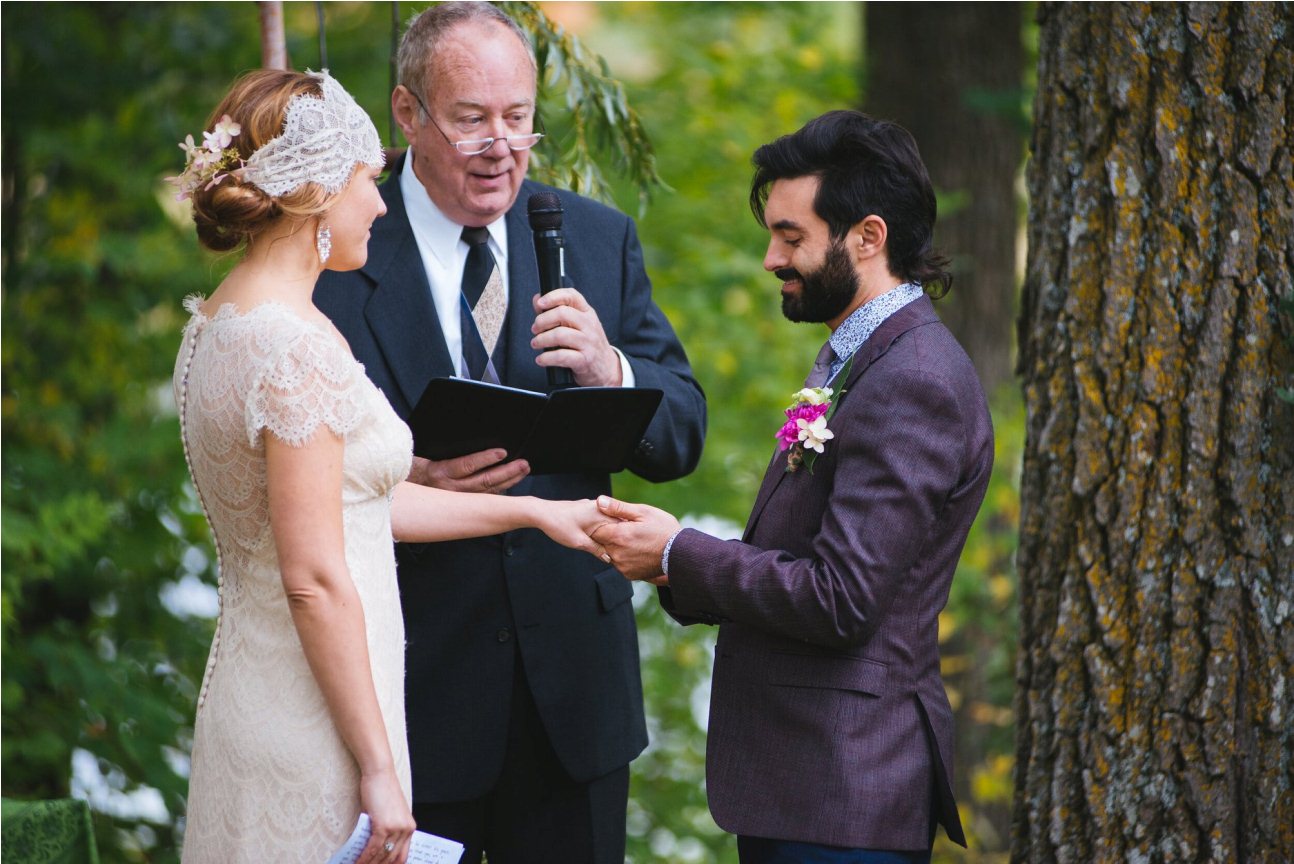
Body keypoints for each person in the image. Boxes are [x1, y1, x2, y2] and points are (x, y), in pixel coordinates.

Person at [171, 68, 609, 864]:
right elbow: (314, 576)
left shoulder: (222, 320)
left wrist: (536, 511)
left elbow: (354, 504)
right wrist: (378, 769)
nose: (380, 203)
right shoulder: (293, 348)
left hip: (256, 687)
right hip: (315, 718)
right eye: (368, 180)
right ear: (314, 193)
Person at [312, 4, 706, 863]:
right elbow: (293, 479)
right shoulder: (335, 248)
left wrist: (611, 369)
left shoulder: (597, 238)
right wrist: (398, 478)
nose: (502, 144)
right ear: (408, 113)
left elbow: (681, 436)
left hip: (577, 697)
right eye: (471, 119)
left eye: (519, 119)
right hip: (413, 688)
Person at [593, 110, 994, 863]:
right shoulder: (861, 356)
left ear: (868, 237)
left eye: (792, 236)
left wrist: (681, 552)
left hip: (845, 793)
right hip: (805, 784)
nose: (771, 258)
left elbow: (843, 597)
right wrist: (672, 558)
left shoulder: (913, 380)